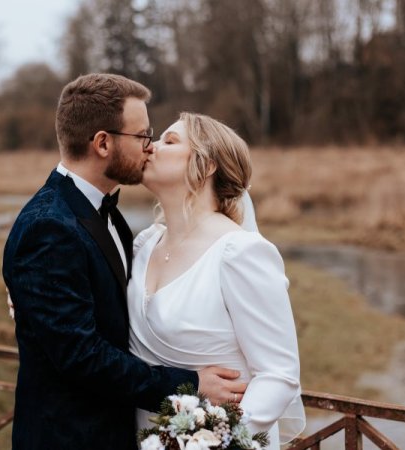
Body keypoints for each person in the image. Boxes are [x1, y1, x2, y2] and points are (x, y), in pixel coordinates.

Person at [2, 74, 245, 450]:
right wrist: (191, 387)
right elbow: (81, 356)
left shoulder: (111, 217)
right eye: (143, 135)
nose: (150, 147)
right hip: (71, 438)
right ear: (103, 143)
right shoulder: (48, 227)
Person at [128, 112, 306, 448]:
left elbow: (279, 376)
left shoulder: (240, 253)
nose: (150, 147)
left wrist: (210, 439)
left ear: (206, 165)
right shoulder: (144, 245)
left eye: (169, 141)